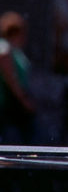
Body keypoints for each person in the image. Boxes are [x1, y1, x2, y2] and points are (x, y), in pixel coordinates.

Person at [0, 12, 35, 144]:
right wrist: (22, 98)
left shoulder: (14, 50)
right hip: (7, 103)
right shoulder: (4, 47)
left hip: (11, 104)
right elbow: (5, 64)